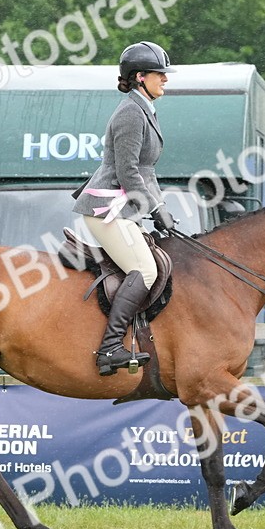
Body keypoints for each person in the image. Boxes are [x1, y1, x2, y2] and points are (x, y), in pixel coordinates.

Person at [71, 40, 177, 376]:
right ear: (140, 76)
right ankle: (110, 348)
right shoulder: (131, 112)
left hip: (122, 208)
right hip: (105, 209)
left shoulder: (145, 109)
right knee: (145, 270)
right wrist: (153, 208)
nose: (166, 79)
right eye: (160, 74)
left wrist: (160, 207)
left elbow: (146, 171)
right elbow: (129, 171)